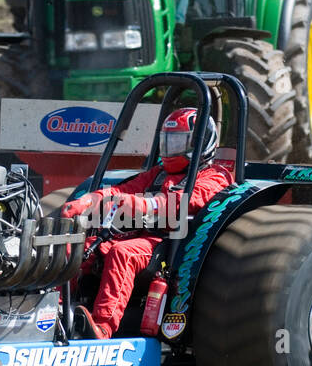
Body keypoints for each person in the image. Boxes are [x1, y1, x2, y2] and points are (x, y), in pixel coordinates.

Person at [60, 107, 233, 339]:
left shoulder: (214, 176)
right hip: (139, 235)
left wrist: (142, 205)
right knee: (77, 247)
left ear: (201, 144)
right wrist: (89, 201)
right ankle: (54, 312)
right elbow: (122, 190)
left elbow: (187, 202)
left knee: (123, 253)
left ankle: (103, 327)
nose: (170, 149)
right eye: (167, 142)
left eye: (178, 143)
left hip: (172, 246)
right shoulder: (158, 173)